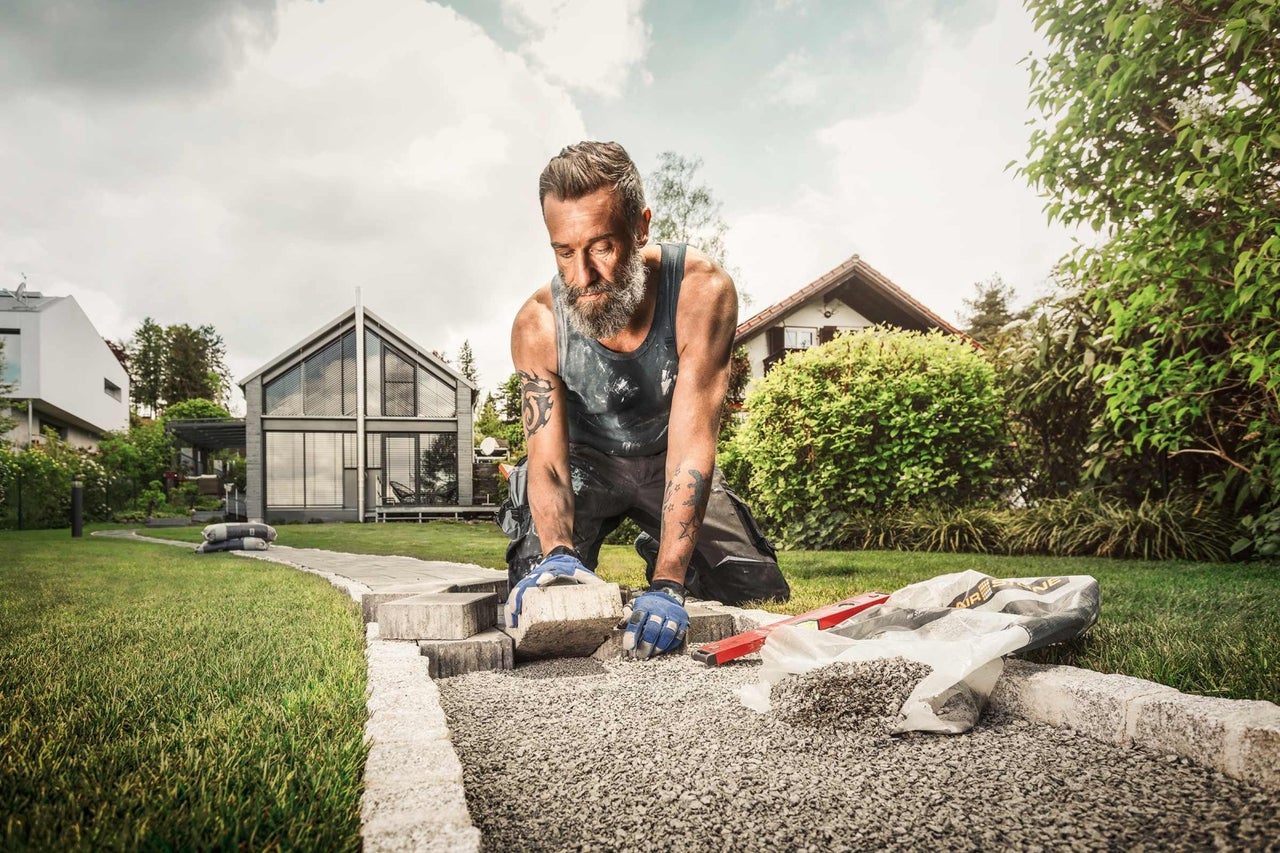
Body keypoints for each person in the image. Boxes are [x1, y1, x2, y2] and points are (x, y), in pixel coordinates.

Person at [499, 140, 790, 660]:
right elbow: (548, 463)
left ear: (640, 227)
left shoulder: (701, 291)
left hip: (666, 459)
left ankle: (663, 547)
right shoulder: (538, 324)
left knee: (754, 587)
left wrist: (669, 581)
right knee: (541, 586)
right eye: (564, 252)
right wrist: (558, 552)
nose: (582, 277)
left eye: (601, 247)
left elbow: (692, 446)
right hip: (584, 466)